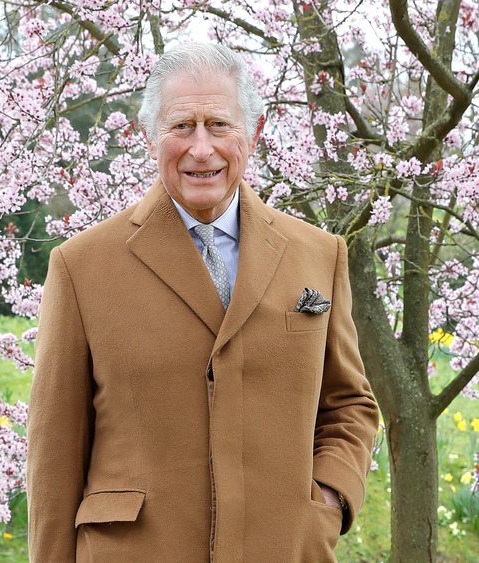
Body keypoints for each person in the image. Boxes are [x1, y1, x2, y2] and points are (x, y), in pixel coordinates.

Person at [26, 43, 379, 562]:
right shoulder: (81, 266)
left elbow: (349, 405)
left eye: (219, 124)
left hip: (284, 549)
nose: (200, 149)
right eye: (181, 126)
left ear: (253, 134)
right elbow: (54, 450)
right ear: (149, 137)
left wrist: (327, 498)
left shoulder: (319, 256)